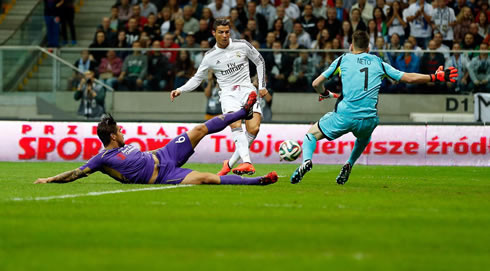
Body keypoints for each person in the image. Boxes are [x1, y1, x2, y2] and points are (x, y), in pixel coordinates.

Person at [290, 30, 458, 185]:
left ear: (351, 46)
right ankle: (349, 164)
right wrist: (434, 76)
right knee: (363, 138)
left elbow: (316, 83)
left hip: (345, 115)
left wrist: (325, 92)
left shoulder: (343, 59)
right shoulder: (379, 62)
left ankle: (306, 160)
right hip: (369, 119)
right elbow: (409, 78)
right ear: (368, 48)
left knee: (311, 135)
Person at [35, 92, 278, 186]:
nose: (123, 133)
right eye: (119, 131)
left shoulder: (125, 147)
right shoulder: (101, 159)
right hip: (163, 175)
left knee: (198, 130)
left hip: (164, 154)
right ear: (111, 136)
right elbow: (76, 173)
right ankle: (258, 181)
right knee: (206, 178)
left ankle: (242, 112)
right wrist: (49, 179)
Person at [170, 18, 268, 176]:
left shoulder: (242, 45)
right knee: (235, 124)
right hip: (228, 94)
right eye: (221, 32)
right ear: (213, 33)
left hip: (247, 90)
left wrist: (262, 86)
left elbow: (259, 61)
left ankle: (229, 163)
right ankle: (247, 163)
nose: (224, 35)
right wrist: (180, 89)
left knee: (254, 129)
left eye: (227, 32)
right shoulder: (210, 56)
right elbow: (197, 78)